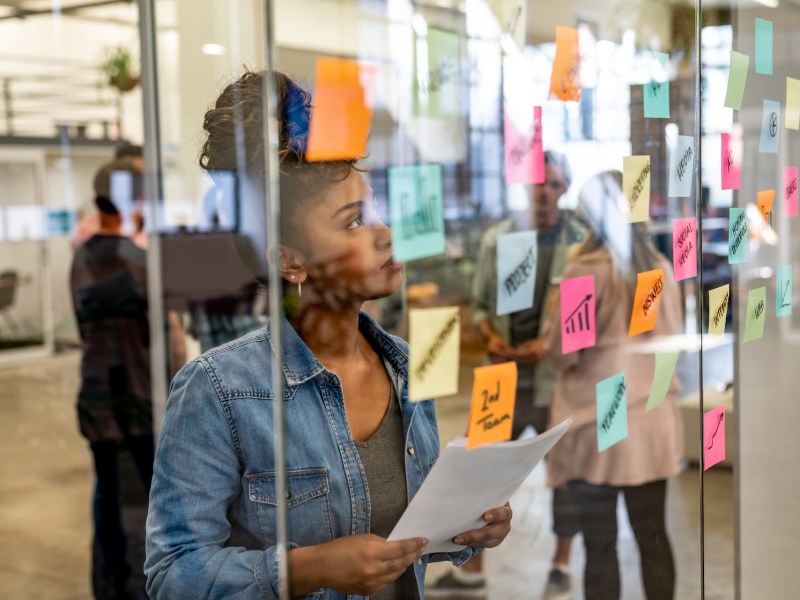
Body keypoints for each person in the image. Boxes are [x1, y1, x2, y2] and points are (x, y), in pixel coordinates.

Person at [144, 69, 513, 599]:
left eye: (376, 211)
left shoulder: (404, 364)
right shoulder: (218, 390)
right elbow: (172, 575)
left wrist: (471, 530)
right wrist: (305, 570)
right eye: (353, 222)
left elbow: (413, 530)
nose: (385, 231)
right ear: (291, 261)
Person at [428, 151, 585, 599]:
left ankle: (560, 565)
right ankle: (471, 571)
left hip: (555, 378)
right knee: (478, 475)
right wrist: (489, 335)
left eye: (554, 184)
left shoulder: (578, 241)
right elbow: (479, 304)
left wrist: (549, 346)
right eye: (538, 183)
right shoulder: (501, 238)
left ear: (564, 189)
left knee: (565, 476)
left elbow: (583, 313)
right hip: (501, 376)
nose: (544, 192)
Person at [542, 170, 683, 600]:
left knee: (599, 545)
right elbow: (672, 338)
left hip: (599, 420)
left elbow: (565, 351)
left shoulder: (584, 272)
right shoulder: (658, 268)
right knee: (653, 535)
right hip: (652, 418)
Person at [69, 157, 154, 599]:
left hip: (98, 392)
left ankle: (110, 581)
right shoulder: (137, 261)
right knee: (153, 499)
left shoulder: (81, 257)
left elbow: (87, 326)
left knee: (107, 492)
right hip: (136, 393)